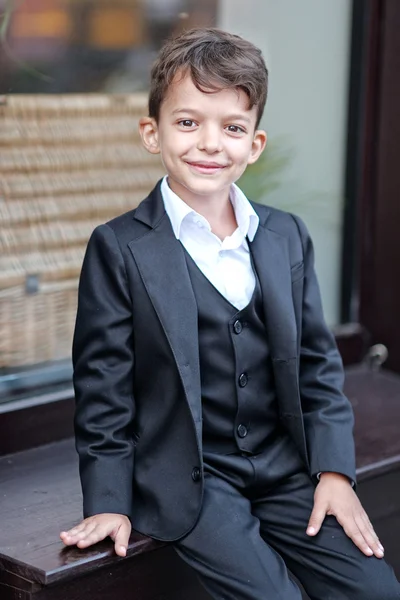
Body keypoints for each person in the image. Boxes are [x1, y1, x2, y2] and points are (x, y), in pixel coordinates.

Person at [60, 28, 400, 599]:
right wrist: (110, 502)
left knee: (376, 592)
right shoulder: (119, 247)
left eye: (232, 127)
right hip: (193, 479)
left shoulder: (285, 236)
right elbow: (103, 389)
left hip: (284, 469)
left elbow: (317, 365)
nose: (210, 144)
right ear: (153, 132)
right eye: (188, 122)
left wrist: (335, 472)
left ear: (255, 144)